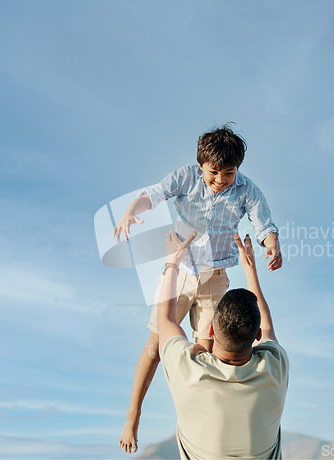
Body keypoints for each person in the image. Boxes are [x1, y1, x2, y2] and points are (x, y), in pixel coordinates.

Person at [114, 125, 283, 453]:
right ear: (200, 165)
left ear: (238, 169)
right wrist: (130, 211)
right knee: (156, 346)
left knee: (206, 352)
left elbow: (265, 223)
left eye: (229, 173)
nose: (221, 180)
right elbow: (155, 193)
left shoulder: (247, 190)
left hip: (215, 277)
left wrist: (272, 244)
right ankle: (132, 414)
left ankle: (199, 420)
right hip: (179, 270)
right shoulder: (185, 178)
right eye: (214, 172)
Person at [158, 231, 289, 459]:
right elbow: (268, 328)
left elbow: (166, 321)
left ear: (210, 330)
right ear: (256, 335)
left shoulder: (188, 369)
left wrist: (173, 263)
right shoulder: (275, 367)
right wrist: (251, 270)